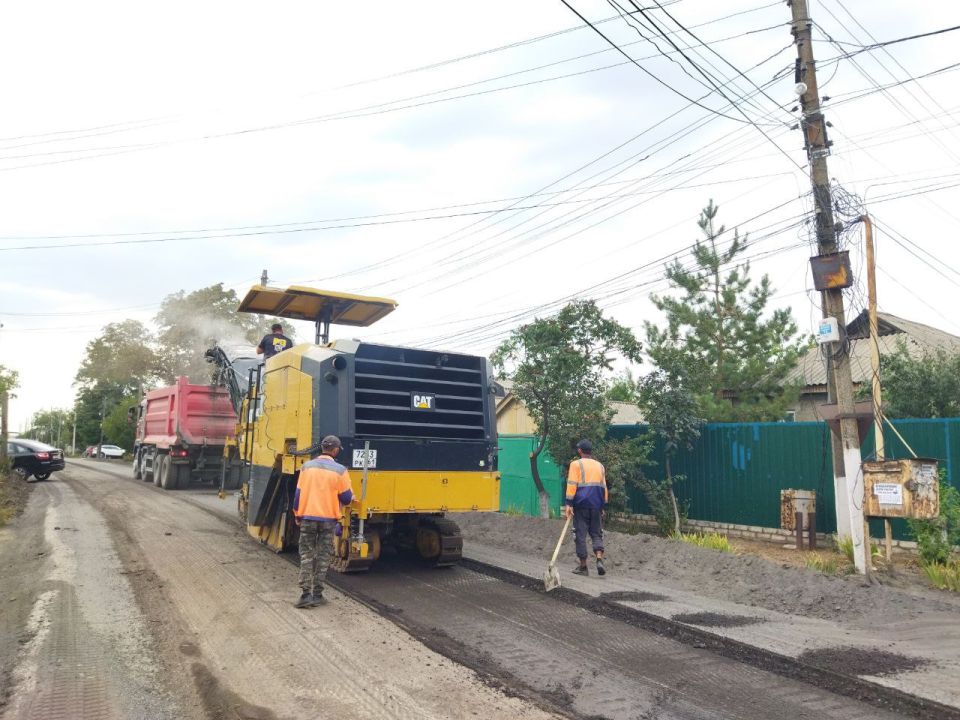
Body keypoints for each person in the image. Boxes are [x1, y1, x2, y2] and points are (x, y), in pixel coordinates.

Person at [291, 435, 353, 608]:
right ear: (335, 450)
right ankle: (317, 595)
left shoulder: (306, 467)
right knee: (324, 556)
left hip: (308, 518)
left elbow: (298, 494)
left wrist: (297, 514)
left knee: (306, 555)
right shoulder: (340, 470)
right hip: (328, 520)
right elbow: (347, 499)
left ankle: (305, 595)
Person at [564, 439, 608, 576]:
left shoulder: (575, 464)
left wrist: (569, 504)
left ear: (580, 451)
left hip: (581, 505)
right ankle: (599, 558)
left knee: (580, 535)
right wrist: (603, 505)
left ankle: (583, 567)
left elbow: (572, 484)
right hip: (596, 505)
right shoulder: (600, 466)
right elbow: (604, 487)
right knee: (596, 533)